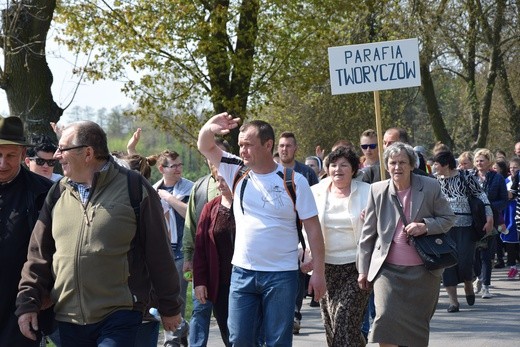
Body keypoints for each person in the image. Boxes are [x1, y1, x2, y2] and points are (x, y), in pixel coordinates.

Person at [16, 120, 183, 346]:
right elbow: (39, 254)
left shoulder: (133, 187)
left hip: (120, 314)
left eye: (63, 149)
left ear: (87, 153)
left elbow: (159, 252)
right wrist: (28, 302)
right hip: (68, 318)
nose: (57, 155)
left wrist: (170, 306)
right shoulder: (57, 192)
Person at [197, 112, 326, 346]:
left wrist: (318, 272)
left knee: (277, 341)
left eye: (248, 145)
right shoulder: (235, 170)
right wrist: (209, 127)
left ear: (268, 145)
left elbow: (313, 229)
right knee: (239, 339)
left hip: (282, 275)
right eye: (240, 145)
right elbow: (205, 146)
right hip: (242, 273)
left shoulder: (295, 181)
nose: (242, 150)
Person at [357, 142, 455, 347]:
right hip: (388, 271)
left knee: (416, 329)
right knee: (385, 320)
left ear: (412, 165)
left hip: (423, 272)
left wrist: (425, 226)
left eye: (402, 162)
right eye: (392, 163)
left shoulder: (430, 186)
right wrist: (363, 270)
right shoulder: (377, 190)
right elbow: (367, 234)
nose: (397, 167)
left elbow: (448, 219)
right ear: (387, 166)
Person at [0, 117, 53, 347]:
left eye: (10, 155)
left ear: (23, 154)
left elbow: (62, 250)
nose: (2, 163)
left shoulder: (45, 193)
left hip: (21, 307)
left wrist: (50, 292)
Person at [311, 147, 370, 346]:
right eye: (334, 165)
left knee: (344, 320)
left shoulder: (367, 192)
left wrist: (371, 218)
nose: (338, 169)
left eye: (344, 165)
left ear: (353, 169)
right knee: (332, 325)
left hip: (357, 267)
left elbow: (380, 224)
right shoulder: (316, 192)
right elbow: (306, 227)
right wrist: (306, 254)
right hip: (326, 267)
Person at [433, 151, 493, 312]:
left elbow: (481, 195)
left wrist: (489, 215)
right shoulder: (434, 182)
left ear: (445, 164)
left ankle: (468, 283)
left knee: (465, 261)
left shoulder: (465, 177)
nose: (434, 166)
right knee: (447, 264)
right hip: (443, 228)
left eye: (437, 163)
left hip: (466, 227)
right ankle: (454, 302)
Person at [183, 139, 229, 347]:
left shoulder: (243, 185)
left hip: (231, 269)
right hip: (205, 264)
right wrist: (187, 257)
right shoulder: (200, 187)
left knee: (232, 319)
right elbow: (192, 226)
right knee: (200, 310)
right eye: (212, 156)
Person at [277, 132, 320, 334]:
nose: (284, 149)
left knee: (296, 275)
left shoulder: (305, 173)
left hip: (300, 232)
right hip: (279, 234)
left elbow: (315, 201)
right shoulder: (271, 170)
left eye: (288, 145)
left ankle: (294, 313)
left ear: (295, 148)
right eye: (281, 145)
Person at [153, 150, 194, 346]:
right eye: (174, 165)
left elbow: (190, 215)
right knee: (161, 296)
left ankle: (171, 341)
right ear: (162, 169)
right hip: (161, 253)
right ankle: (181, 328)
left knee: (176, 295)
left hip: (183, 254)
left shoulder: (189, 188)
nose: (178, 169)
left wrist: (169, 199)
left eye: (180, 165)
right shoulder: (153, 191)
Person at [193, 173, 235, 346]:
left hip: (248, 283)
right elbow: (201, 247)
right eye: (218, 180)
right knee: (228, 334)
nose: (219, 185)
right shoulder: (210, 208)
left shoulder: (250, 204)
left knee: (248, 334)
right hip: (221, 285)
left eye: (224, 180)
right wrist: (200, 281)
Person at [472, 148, 508, 298]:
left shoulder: (497, 178)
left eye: (482, 160)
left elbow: (504, 200)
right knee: (474, 254)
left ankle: (486, 286)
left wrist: (490, 208)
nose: (479, 163)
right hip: (473, 220)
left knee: (487, 254)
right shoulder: (470, 177)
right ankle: (478, 278)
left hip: (491, 219)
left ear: (489, 162)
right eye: (477, 160)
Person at [503, 157, 520, 279]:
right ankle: (512, 266)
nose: (513, 170)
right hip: (509, 213)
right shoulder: (506, 181)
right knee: (509, 239)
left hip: (517, 212)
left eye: (516, 168)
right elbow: (510, 195)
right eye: (511, 168)